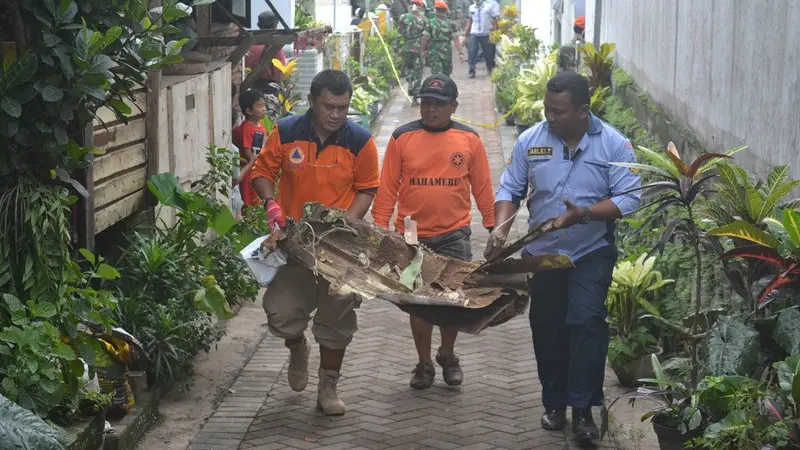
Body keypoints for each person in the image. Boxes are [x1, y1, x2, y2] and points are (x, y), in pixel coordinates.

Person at [485, 72, 641, 441]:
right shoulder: (531, 140)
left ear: (582, 111)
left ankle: (584, 408)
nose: (549, 117)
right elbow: (510, 186)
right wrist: (501, 228)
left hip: (591, 250)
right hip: (542, 255)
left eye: (558, 111)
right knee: (548, 327)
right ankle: (554, 403)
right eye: (546, 109)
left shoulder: (615, 145)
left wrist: (583, 213)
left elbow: (629, 198)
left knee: (586, 321)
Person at [249, 70, 380, 416]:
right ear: (311, 102)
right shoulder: (288, 132)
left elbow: (368, 188)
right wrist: (270, 203)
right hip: (295, 243)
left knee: (336, 320)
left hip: (339, 248)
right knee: (279, 313)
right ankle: (297, 347)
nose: (336, 114)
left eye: (342, 107)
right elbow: (261, 172)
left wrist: (346, 222)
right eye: (329, 107)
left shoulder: (361, 141)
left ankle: (328, 385)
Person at [372, 74, 496, 390]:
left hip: (454, 233)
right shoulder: (403, 138)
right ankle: (424, 363)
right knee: (420, 301)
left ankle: (448, 353)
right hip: (412, 234)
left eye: (438, 104)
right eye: (426, 102)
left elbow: (482, 187)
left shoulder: (470, 140)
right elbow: (387, 187)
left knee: (452, 300)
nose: (431, 109)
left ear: (453, 106)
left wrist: (494, 226)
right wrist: (379, 228)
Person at [232, 89, 267, 209]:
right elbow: (249, 154)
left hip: (258, 169)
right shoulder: (246, 128)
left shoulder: (261, 125)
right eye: (260, 106)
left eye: (264, 105)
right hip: (248, 171)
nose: (264, 109)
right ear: (249, 111)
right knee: (249, 202)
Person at [246, 10, 288, 96]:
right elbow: (278, 76)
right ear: (274, 25)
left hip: (250, 88)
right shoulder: (275, 47)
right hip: (269, 90)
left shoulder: (250, 45)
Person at [399, 0, 429, 106]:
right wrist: (424, 50)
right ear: (420, 7)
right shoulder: (424, 20)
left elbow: (400, 31)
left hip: (407, 47)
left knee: (409, 68)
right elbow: (426, 36)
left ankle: (409, 80)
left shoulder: (403, 17)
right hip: (418, 47)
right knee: (418, 71)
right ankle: (415, 97)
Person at [427, 1, 465, 76]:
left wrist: (423, 51)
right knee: (446, 74)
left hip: (434, 50)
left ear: (436, 10)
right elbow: (456, 40)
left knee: (437, 74)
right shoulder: (451, 23)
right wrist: (461, 53)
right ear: (445, 11)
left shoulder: (430, 22)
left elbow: (425, 38)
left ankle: (437, 87)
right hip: (447, 50)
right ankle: (445, 87)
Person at [465, 0, 499, 78]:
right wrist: (466, 31)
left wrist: (494, 31)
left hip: (486, 33)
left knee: (488, 54)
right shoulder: (471, 8)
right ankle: (472, 70)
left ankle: (490, 69)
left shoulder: (488, 7)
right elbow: (470, 20)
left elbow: (494, 19)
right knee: (472, 52)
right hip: (475, 33)